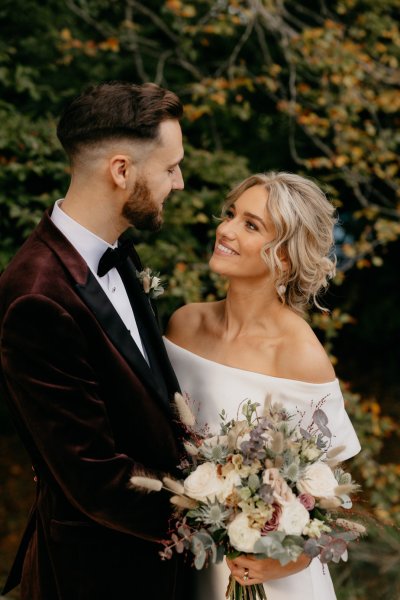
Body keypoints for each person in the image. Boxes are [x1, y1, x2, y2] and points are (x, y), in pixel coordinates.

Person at [0, 81, 190, 600]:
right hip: (101, 574)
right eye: (170, 168)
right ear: (122, 170)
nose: (179, 183)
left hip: (162, 565)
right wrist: (220, 518)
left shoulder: (118, 252)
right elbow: (93, 478)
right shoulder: (36, 296)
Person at [164, 171, 361, 600]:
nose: (226, 229)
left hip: (274, 582)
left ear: (285, 257)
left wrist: (289, 559)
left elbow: (331, 496)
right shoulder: (184, 325)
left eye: (250, 225)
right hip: (187, 565)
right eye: (231, 214)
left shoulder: (300, 356)